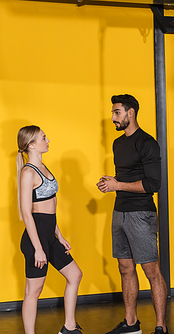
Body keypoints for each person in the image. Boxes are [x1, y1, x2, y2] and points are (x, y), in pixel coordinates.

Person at [96, 94, 168, 334]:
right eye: (113, 112)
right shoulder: (118, 144)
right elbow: (124, 178)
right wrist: (110, 183)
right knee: (125, 269)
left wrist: (118, 185)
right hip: (120, 213)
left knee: (152, 272)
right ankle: (131, 324)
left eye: (117, 112)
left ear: (131, 113)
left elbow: (153, 184)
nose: (113, 117)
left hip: (141, 215)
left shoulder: (147, 143)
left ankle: (160, 326)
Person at [17, 125, 83, 334]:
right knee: (33, 291)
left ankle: (69, 327)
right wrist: (38, 248)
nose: (48, 140)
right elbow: (28, 214)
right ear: (32, 145)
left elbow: (49, 209)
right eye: (44, 138)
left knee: (75, 275)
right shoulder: (28, 173)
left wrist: (59, 235)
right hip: (35, 240)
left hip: (49, 236)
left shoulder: (44, 168)